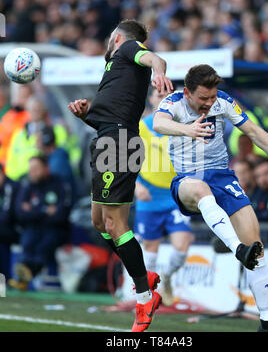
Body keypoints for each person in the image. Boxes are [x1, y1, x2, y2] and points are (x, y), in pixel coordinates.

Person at [153, 64, 268, 332]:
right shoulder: (173, 103)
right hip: (188, 178)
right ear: (187, 93)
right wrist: (188, 130)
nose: (209, 103)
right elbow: (159, 123)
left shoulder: (223, 102)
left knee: (256, 246)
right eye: (203, 98)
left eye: (212, 97)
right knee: (199, 190)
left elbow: (252, 131)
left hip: (222, 178)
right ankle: (236, 248)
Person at [67, 19, 173, 332]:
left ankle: (144, 297)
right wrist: (87, 114)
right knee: (100, 222)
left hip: (119, 144)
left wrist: (160, 71)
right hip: (107, 140)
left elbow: (154, 58)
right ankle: (144, 275)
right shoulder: (116, 70)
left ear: (116, 37)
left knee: (115, 223)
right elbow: (110, 117)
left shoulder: (127, 49)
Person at [135, 87, 194, 306]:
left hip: (175, 194)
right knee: (150, 248)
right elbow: (126, 160)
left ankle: (167, 276)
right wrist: (136, 186)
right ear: (150, 98)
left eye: (167, 96)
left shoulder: (181, 125)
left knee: (182, 244)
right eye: (159, 95)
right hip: (148, 194)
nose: (163, 100)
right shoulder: (141, 126)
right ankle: (148, 296)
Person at [9, 156, 72, 290]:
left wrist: (33, 211)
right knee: (27, 240)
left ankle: (26, 274)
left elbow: (60, 215)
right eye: (31, 169)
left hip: (56, 229)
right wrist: (45, 211)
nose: (32, 173)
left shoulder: (59, 184)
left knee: (45, 244)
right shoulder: (27, 186)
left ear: (46, 169)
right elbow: (20, 214)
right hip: (33, 227)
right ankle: (25, 275)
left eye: (36, 169)